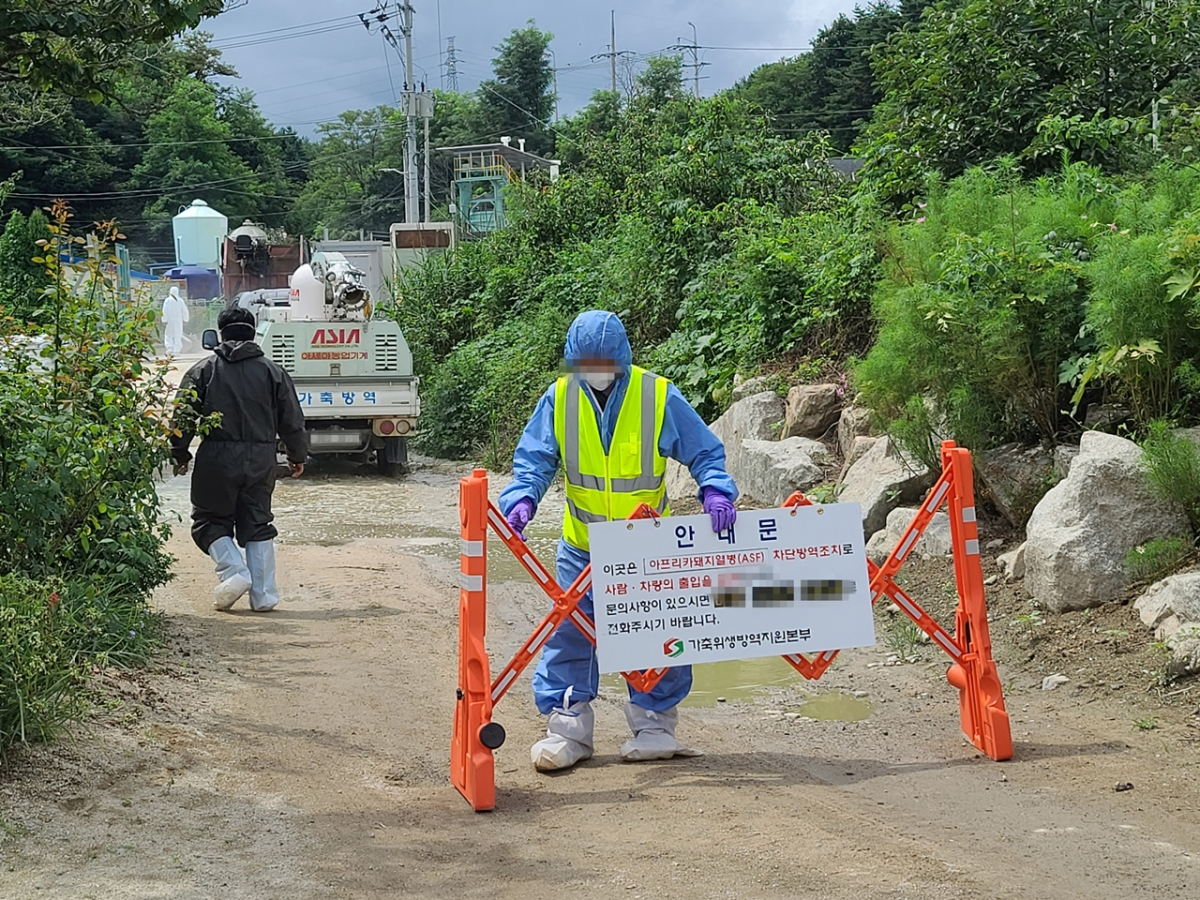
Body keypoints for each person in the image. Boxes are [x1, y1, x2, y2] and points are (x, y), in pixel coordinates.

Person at [499, 310, 739, 771]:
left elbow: (704, 451)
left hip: (646, 547)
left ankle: (655, 726)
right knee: (571, 634)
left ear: (621, 358)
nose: (596, 371)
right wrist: (522, 499)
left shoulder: (657, 396)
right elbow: (534, 460)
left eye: (604, 362)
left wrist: (715, 490)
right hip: (582, 546)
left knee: (656, 632)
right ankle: (568, 730)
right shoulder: (560, 398)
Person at [170, 307, 308, 612]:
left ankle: (234, 573)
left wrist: (180, 453)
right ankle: (264, 596)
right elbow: (292, 420)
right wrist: (297, 455)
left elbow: (183, 417)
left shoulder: (203, 370)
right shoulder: (273, 372)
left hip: (216, 459)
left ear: (221, 335)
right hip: (261, 459)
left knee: (209, 521)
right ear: (253, 333)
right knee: (258, 522)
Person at [161, 286, 189, 357]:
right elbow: (184, 311)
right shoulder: (180, 300)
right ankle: (177, 350)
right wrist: (185, 319)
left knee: (168, 334)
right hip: (178, 321)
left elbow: (164, 311)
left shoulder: (167, 300)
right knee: (178, 335)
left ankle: (169, 348)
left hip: (170, 321)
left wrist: (164, 320)